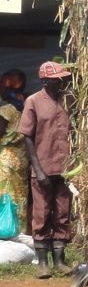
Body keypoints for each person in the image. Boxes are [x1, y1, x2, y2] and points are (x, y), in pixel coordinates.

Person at [19, 60, 73, 277]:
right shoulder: (33, 101)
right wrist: (38, 169)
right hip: (43, 167)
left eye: (62, 79)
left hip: (65, 168)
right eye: (56, 80)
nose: (61, 82)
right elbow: (27, 137)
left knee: (62, 213)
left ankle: (59, 260)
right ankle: (42, 262)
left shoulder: (68, 100)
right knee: (41, 214)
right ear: (44, 81)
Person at [0, 71, 30, 233]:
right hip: (22, 159)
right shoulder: (27, 108)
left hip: (6, 161)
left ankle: (4, 231)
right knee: (19, 196)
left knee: (6, 196)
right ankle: (19, 231)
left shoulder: (6, 110)